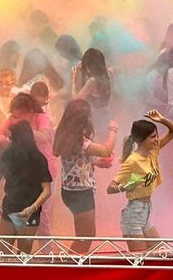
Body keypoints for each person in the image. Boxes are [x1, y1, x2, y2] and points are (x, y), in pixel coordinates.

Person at [108, 110, 173, 252]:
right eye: (153, 137)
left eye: (156, 135)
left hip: (146, 214)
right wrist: (125, 187)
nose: (156, 139)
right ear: (141, 140)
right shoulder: (132, 161)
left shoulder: (154, 150)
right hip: (133, 216)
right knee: (140, 261)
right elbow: (110, 188)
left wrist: (161, 119)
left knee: (160, 254)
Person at [52, 99, 117, 252]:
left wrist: (98, 162)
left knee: (84, 236)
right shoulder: (78, 139)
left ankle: (70, 266)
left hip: (72, 191)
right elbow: (106, 149)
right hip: (80, 192)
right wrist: (113, 130)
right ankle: (69, 268)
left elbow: (79, 159)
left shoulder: (67, 135)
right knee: (86, 237)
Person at [0, 119, 52, 253]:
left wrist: (32, 208)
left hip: (29, 212)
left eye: (12, 138)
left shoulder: (38, 159)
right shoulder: (8, 155)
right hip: (11, 207)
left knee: (23, 255)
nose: (10, 140)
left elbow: (46, 190)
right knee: (2, 253)